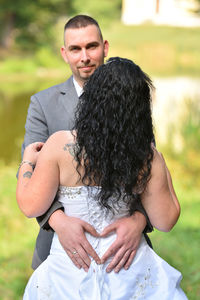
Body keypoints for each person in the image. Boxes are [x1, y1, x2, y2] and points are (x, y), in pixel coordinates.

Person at [17, 57, 187, 299]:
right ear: (139, 109)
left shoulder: (59, 145)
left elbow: (29, 205)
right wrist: (157, 160)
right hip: (129, 269)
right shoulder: (146, 157)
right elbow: (166, 220)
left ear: (91, 99)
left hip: (70, 271)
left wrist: (27, 162)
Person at [21, 15, 153, 272]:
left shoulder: (131, 95)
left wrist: (139, 220)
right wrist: (59, 222)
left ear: (105, 47)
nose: (85, 57)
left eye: (91, 46)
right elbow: (29, 170)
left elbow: (145, 166)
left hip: (124, 250)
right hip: (60, 247)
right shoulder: (43, 104)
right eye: (75, 49)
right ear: (64, 53)